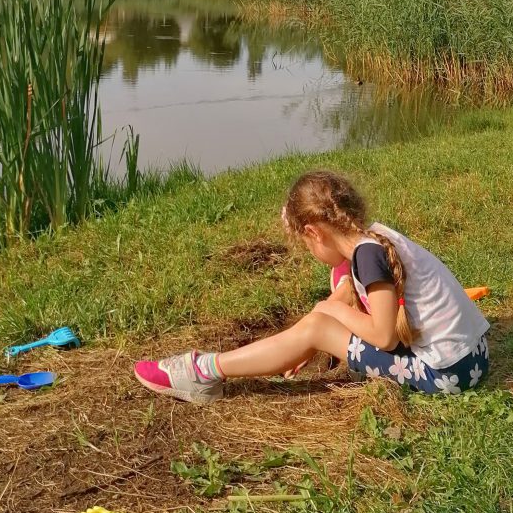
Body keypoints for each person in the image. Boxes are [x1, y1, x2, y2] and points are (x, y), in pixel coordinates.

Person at [134, 170, 490, 404]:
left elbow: (385, 338)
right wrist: (305, 343)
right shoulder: (371, 241)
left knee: (322, 320)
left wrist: (325, 313)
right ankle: (264, 354)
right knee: (338, 284)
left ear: (313, 233)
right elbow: (347, 289)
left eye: (306, 245)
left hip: (449, 373)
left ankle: (203, 372)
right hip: (471, 355)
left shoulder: (368, 259)